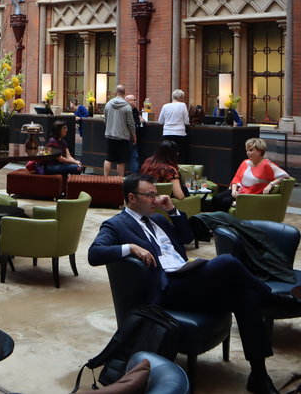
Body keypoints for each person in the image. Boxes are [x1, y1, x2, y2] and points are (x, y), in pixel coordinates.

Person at [88, 174, 279, 394]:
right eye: (149, 195)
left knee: (245, 296)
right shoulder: (116, 225)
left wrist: (171, 210)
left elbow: (187, 237)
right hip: (167, 288)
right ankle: (270, 297)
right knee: (226, 262)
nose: (155, 199)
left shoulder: (159, 219)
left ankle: (259, 375)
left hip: (187, 278)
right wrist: (130, 247)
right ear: (131, 197)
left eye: (155, 194)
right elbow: (94, 254)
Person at [212, 137, 289, 212]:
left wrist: (270, 185)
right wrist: (234, 190)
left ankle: (221, 222)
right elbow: (236, 178)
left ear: (259, 151)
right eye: (247, 150)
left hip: (250, 195)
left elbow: (285, 176)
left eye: (250, 150)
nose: (247, 153)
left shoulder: (266, 164)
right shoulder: (245, 162)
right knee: (216, 198)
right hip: (238, 190)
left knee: (225, 202)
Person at [102, 85, 137, 176]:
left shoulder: (108, 104)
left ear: (115, 92)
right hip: (123, 136)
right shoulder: (127, 107)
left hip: (110, 134)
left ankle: (105, 178)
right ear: (124, 93)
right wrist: (134, 135)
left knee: (109, 158)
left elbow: (105, 119)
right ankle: (120, 180)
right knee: (121, 160)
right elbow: (130, 123)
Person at [158, 89, 190, 159]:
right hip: (179, 133)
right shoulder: (183, 105)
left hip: (167, 132)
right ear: (181, 97)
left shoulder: (165, 106)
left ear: (172, 96)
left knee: (167, 154)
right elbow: (186, 121)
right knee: (180, 153)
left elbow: (160, 121)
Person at [125, 94, 142, 172]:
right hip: (128, 136)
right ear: (127, 101)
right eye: (134, 100)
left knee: (134, 156)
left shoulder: (135, 110)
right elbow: (130, 123)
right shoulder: (125, 110)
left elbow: (137, 119)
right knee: (133, 156)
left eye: (136, 100)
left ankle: (134, 174)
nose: (136, 102)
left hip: (134, 136)